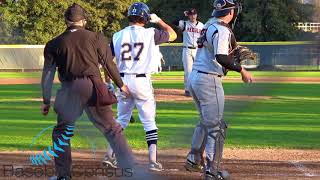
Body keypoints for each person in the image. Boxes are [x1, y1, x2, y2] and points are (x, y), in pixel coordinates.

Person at [41, 3, 134, 180]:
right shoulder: (97, 37)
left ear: (67, 21)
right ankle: (129, 170)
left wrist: (46, 100)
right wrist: (121, 85)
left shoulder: (53, 43)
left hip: (69, 90)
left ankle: (63, 175)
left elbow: (48, 74)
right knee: (112, 129)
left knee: (62, 132)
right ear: (83, 21)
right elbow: (108, 64)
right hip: (93, 87)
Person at [102, 2, 177, 172]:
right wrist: (159, 21)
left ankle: (109, 155)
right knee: (149, 122)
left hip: (123, 81)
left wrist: (110, 82)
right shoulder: (151, 33)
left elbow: (107, 62)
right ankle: (152, 161)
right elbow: (172, 35)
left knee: (121, 120)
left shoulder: (117, 35)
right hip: (142, 81)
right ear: (145, 17)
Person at [184, 0, 254, 179]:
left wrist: (232, 56)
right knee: (217, 127)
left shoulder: (209, 24)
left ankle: (193, 159)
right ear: (231, 12)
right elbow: (221, 57)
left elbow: (217, 53)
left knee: (206, 121)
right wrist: (241, 69)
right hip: (208, 81)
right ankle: (212, 171)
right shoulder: (222, 30)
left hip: (196, 77)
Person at [173, 8, 204, 97]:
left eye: (194, 14)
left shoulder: (202, 25)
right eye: (191, 14)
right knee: (188, 71)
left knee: (200, 71)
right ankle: (188, 90)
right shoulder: (185, 24)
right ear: (188, 15)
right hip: (187, 50)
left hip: (198, 50)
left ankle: (199, 89)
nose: (193, 16)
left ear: (196, 15)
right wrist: (182, 14)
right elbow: (174, 21)